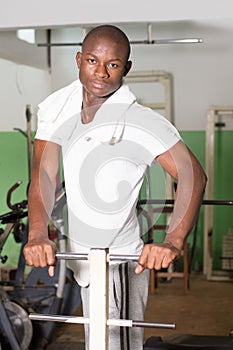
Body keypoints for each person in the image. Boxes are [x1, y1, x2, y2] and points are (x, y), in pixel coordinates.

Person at [23, 24, 207, 349]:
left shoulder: (141, 120)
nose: (101, 73)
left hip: (119, 260)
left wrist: (173, 241)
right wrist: (37, 233)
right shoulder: (58, 107)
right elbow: (44, 174)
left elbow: (193, 175)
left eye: (113, 64)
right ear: (79, 59)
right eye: (93, 61)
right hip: (82, 256)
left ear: (126, 67)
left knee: (115, 345)